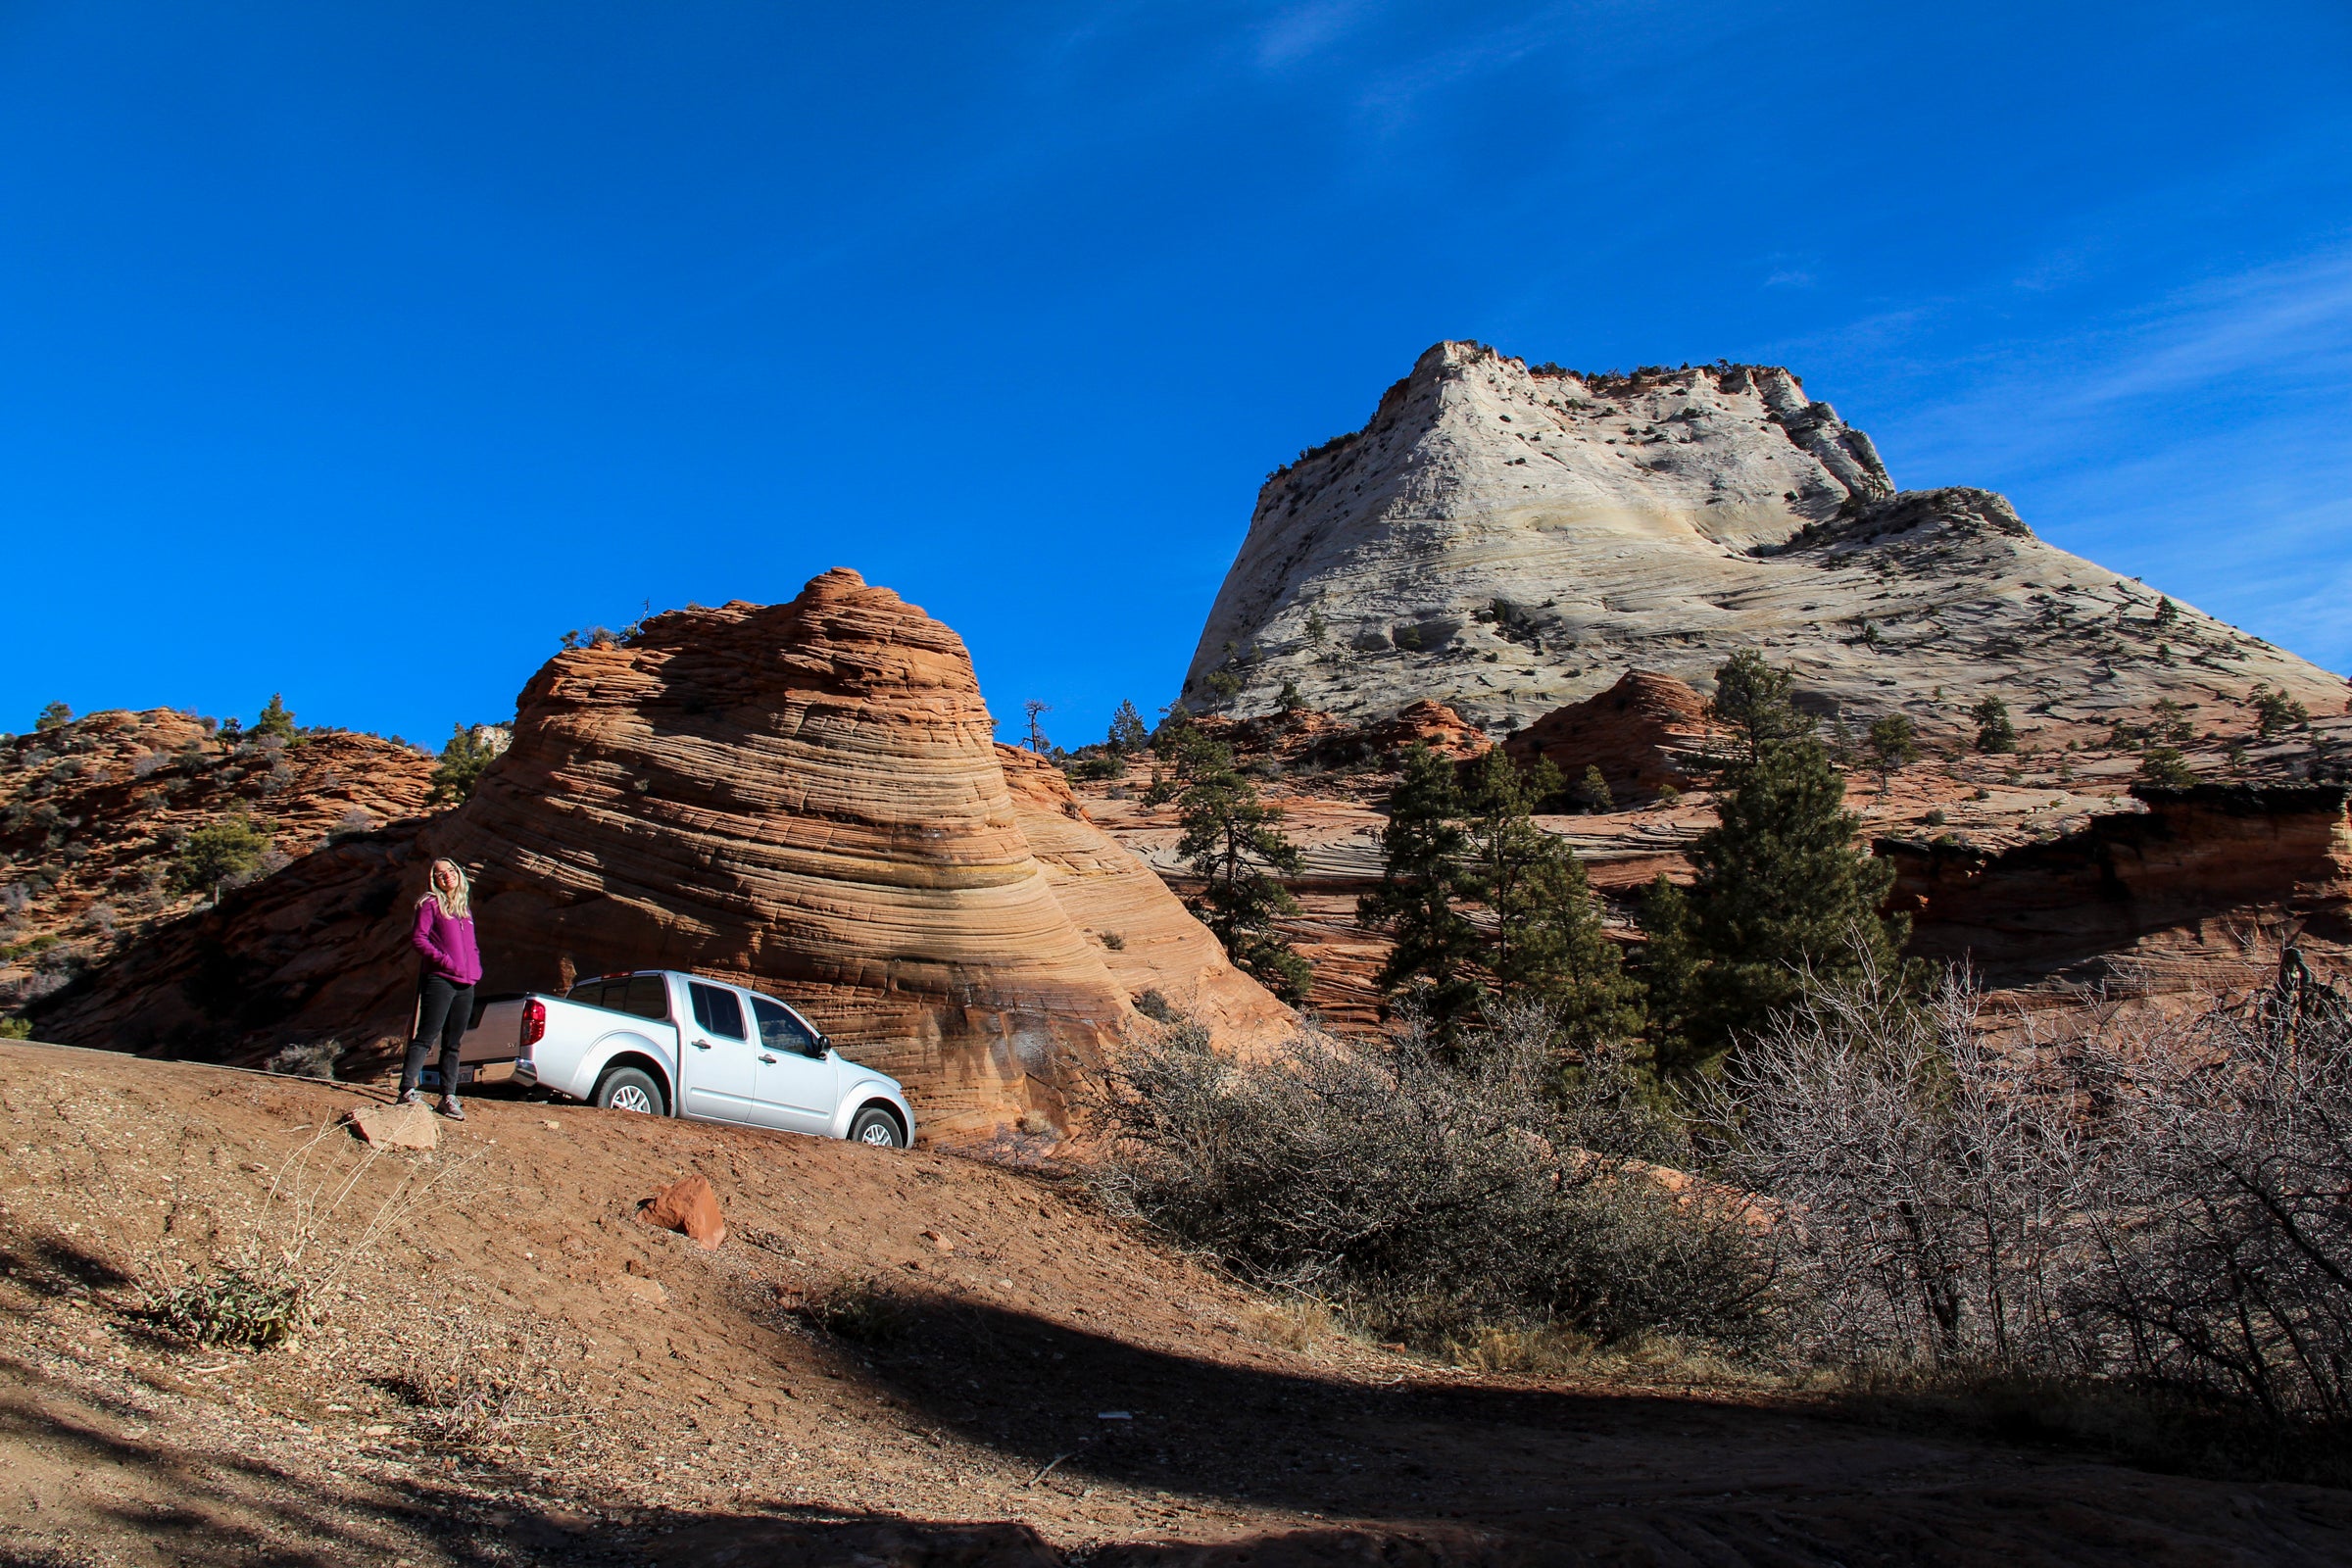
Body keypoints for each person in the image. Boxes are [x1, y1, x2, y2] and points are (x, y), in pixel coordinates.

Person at [401, 858, 482, 1119]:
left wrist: (476, 968)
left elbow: (471, 946)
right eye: (439, 874)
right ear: (433, 880)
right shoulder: (430, 904)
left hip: (466, 983)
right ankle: (406, 1090)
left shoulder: (464, 910)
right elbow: (419, 938)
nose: (446, 876)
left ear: (458, 874)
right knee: (426, 1036)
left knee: (453, 1043)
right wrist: (444, 961)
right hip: (440, 979)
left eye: (450, 871)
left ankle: (448, 1096)